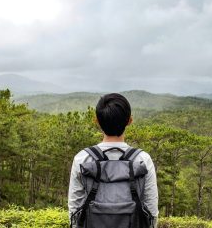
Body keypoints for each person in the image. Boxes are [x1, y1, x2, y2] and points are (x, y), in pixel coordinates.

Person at [68, 93, 158, 227]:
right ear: (129, 121)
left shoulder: (82, 158)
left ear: (97, 121)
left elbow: (75, 210)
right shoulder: (143, 159)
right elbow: (151, 210)